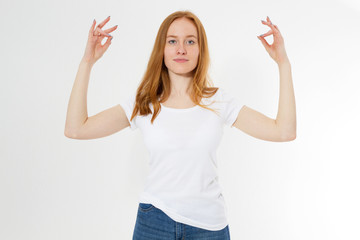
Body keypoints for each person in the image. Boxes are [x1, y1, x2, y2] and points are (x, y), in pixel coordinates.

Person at [65, 10, 296, 240]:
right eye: (172, 41)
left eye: (190, 41)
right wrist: (87, 62)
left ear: (200, 50)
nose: (181, 49)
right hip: (153, 222)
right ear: (162, 50)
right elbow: (76, 129)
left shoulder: (218, 101)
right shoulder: (144, 102)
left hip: (209, 227)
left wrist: (283, 63)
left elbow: (283, 132)